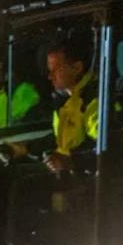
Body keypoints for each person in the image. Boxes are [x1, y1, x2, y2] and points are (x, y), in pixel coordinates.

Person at [43, 36, 99, 173]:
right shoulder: (64, 102)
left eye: (55, 70)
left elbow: (106, 149)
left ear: (77, 68)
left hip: (88, 184)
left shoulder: (95, 102)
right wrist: (25, 148)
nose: (50, 76)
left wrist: (72, 162)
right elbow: (60, 141)